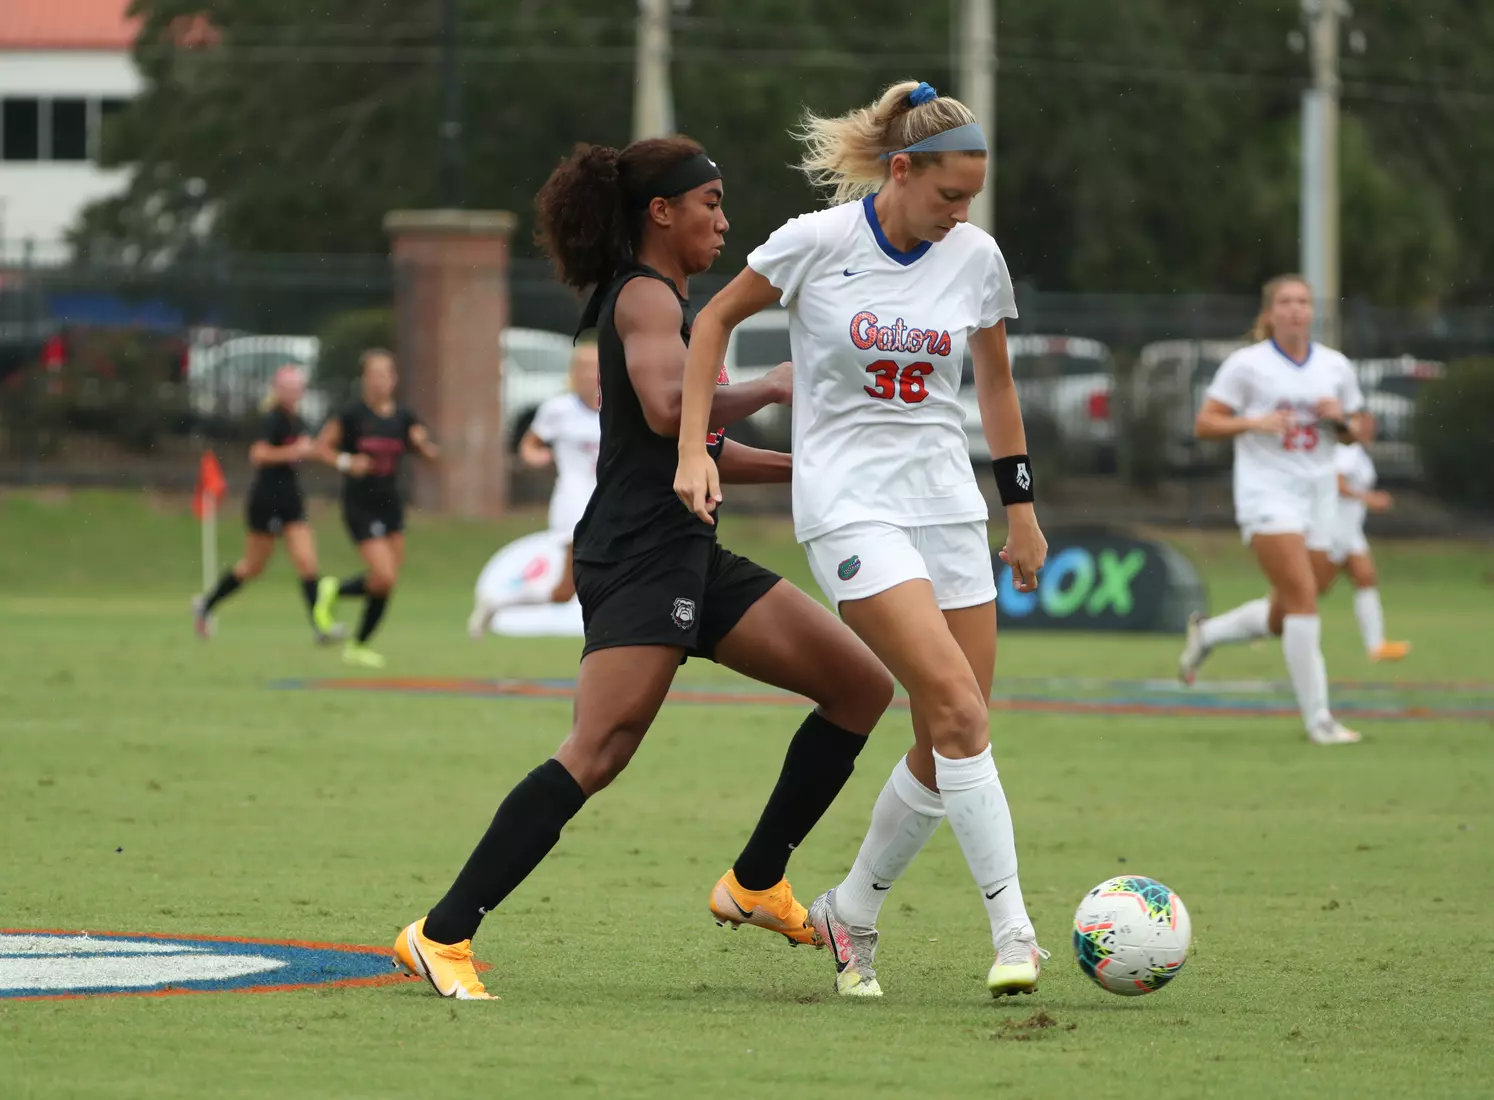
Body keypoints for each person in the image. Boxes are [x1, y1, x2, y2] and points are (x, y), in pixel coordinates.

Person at [392, 136, 894, 1001]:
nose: (724, 222)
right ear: (661, 212)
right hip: (637, 556)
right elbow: (672, 412)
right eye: (711, 204)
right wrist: (771, 389)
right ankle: (440, 934)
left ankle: (755, 880)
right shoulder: (646, 300)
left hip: (689, 550)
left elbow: (698, 443)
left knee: (860, 687)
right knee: (598, 749)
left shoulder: (673, 309)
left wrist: (807, 467)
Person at [676, 80, 1050, 1000]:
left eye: (971, 199)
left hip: (949, 509)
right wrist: (694, 447)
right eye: (947, 196)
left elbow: (994, 389)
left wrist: (1023, 508)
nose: (960, 215)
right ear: (900, 171)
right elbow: (713, 321)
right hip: (849, 507)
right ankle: (1016, 930)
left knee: (949, 732)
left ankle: (852, 910)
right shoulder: (817, 242)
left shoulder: (975, 257)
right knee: (959, 711)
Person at [1177, 274, 1371, 744]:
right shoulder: (1247, 365)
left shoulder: (1334, 366)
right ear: (1269, 313)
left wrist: (1340, 420)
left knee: (1294, 604)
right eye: (1284, 301)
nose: (1295, 309)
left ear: (1311, 312)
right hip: (1267, 493)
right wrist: (1254, 422)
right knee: (1302, 596)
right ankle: (1319, 720)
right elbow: (1205, 423)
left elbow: (1360, 429)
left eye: (1303, 301)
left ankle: (1210, 634)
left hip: (1320, 493)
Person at [192, 364, 342, 642]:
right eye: (287, 388)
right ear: (277, 389)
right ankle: (206, 605)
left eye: (297, 388)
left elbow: (309, 450)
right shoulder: (270, 419)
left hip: (291, 499)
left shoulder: (299, 419)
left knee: (307, 563)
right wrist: (293, 451)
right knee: (252, 566)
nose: (292, 393)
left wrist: (339, 458)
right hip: (266, 498)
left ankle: (321, 626)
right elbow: (258, 454)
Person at [311, 349, 437, 668]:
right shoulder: (352, 415)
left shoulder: (404, 418)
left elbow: (426, 450)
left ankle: (358, 644)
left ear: (394, 379)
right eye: (374, 374)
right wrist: (346, 461)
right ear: (365, 380)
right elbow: (321, 447)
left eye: (386, 374)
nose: (381, 381)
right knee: (384, 573)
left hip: (391, 504)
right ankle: (333, 590)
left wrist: (426, 448)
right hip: (360, 505)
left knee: (387, 581)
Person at [467, 339, 601, 638]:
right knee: (582, 579)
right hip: (574, 502)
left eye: (596, 367)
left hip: (607, 502)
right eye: (584, 367)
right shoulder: (559, 409)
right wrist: (536, 456)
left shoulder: (617, 409)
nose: (590, 374)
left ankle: (499, 600)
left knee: (566, 590)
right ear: (573, 372)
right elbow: (529, 444)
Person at [1318, 437, 1411, 661]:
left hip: (1351, 531)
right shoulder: (1346, 450)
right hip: (1336, 530)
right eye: (1365, 420)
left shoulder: (1358, 451)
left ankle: (1376, 646)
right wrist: (1368, 498)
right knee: (1313, 588)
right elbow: (1336, 482)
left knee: (1366, 578)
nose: (1372, 427)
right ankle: (1264, 620)